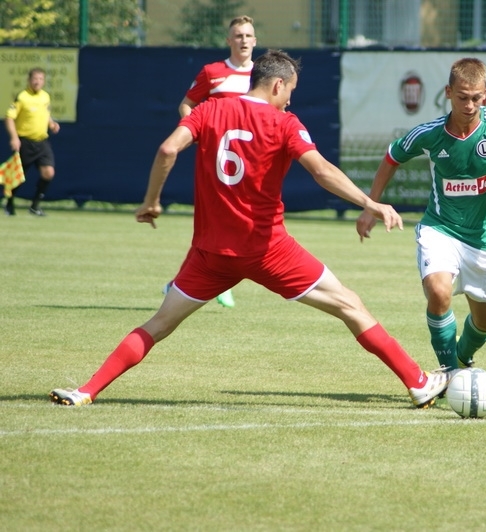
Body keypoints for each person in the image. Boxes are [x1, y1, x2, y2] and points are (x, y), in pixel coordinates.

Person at [49, 50, 448, 409]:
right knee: (350, 306)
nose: (290, 98)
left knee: (158, 324)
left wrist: (152, 201)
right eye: (290, 90)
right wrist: (370, 203)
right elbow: (322, 171)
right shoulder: (284, 123)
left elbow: (168, 149)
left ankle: (87, 390)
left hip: (210, 254)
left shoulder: (207, 110)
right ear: (277, 85)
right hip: (267, 250)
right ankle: (417, 382)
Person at [356, 57, 486, 376]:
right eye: (463, 97)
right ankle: (450, 371)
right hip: (440, 229)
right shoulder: (430, 134)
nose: (470, 105)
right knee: (439, 293)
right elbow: (391, 158)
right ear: (448, 93)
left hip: (483, 240)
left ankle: (462, 355)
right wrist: (372, 206)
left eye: (477, 98)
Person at [173, 15, 258, 308]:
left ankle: (184, 281)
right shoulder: (213, 71)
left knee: (243, 223)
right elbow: (186, 104)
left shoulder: (263, 75)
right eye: (238, 36)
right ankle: (218, 282)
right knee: (214, 223)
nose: (243, 41)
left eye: (248, 35)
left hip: (255, 164)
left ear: (255, 41)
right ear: (229, 41)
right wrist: (198, 132)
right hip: (219, 162)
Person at [4, 67, 60, 216]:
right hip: (25, 142)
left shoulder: (45, 97)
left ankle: (35, 206)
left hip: (42, 141)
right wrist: (14, 138)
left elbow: (45, 114)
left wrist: (52, 124)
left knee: (48, 173)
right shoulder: (22, 97)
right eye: (35, 79)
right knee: (19, 177)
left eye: (41, 79)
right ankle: (9, 203)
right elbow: (9, 118)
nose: (37, 82)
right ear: (29, 80)